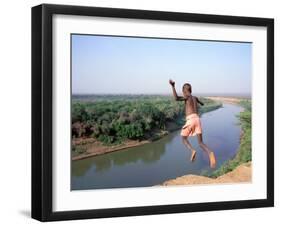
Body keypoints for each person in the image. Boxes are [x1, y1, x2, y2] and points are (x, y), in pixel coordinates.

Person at [169, 79, 216, 168]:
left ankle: (192, 150)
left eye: (183, 92)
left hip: (190, 120)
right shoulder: (195, 98)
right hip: (198, 119)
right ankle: (210, 153)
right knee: (201, 143)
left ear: (185, 91)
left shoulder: (187, 97)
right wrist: (201, 103)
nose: (183, 94)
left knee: (183, 138)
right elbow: (201, 103)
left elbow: (176, 98)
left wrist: (173, 86)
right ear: (191, 90)